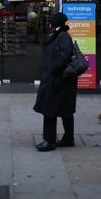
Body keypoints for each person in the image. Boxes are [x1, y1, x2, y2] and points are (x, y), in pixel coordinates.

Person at [33, 12, 78, 152]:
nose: (49, 25)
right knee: (65, 109)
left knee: (50, 110)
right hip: (61, 80)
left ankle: (49, 140)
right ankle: (68, 138)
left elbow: (64, 56)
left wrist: (53, 69)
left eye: (50, 22)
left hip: (57, 79)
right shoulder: (59, 35)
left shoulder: (62, 36)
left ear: (54, 24)